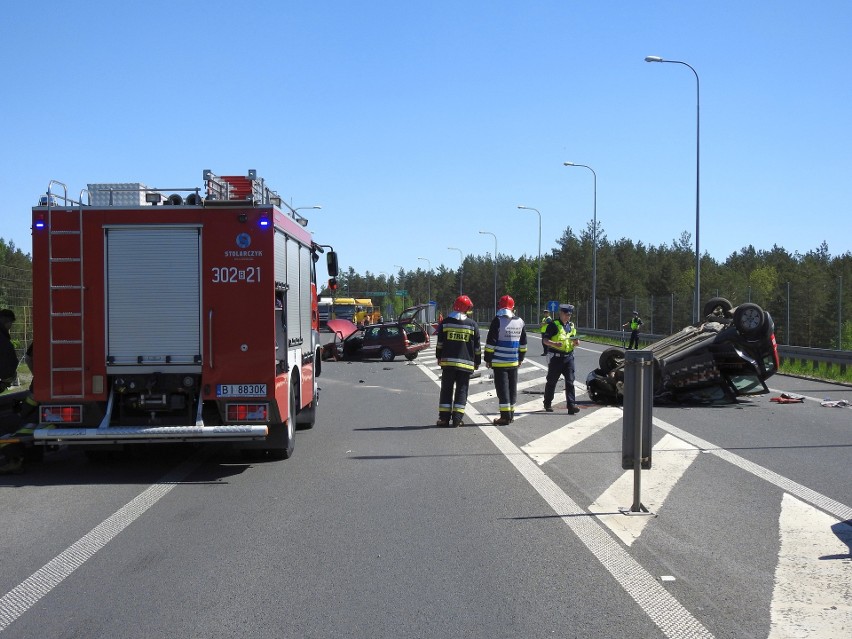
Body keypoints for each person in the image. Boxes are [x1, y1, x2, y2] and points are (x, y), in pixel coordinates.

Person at [435, 295, 481, 427]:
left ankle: (444, 419)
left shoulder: (446, 323)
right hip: (465, 364)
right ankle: (457, 419)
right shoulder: (472, 325)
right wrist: (477, 362)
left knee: (446, 390)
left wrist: (439, 357)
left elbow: (440, 344)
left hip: (448, 363)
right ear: (466, 309)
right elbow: (477, 348)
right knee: (462, 390)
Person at [484, 295, 527, 425]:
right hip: (514, 361)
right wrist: (521, 358)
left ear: (499, 306)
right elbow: (523, 343)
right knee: (512, 389)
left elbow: (491, 343)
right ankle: (511, 415)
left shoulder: (497, 320)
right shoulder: (520, 321)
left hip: (499, 361)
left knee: (502, 389)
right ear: (513, 307)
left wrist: (488, 358)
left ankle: (504, 417)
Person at [542, 303, 580, 415]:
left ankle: (571, 405)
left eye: (570, 315)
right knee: (552, 382)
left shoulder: (571, 326)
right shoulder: (553, 325)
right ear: (561, 313)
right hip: (556, 358)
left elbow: (575, 339)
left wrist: (576, 343)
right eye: (566, 314)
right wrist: (554, 343)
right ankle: (547, 403)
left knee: (570, 382)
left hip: (569, 357)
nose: (568, 317)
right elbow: (545, 340)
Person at [0, 309, 19, 392]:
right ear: (6, 321)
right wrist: (8, 378)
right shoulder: (3, 339)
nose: (10, 326)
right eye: (11, 323)